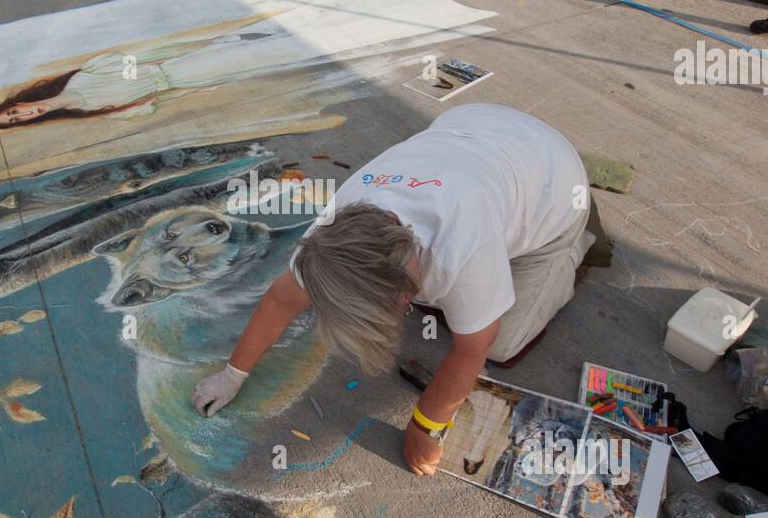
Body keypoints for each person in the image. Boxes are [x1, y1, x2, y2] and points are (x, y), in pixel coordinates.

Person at [190, 104, 600, 479]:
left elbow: (473, 348)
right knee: (464, 308)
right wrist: (232, 375)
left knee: (502, 344)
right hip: (474, 124)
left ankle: (575, 244)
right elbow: (281, 300)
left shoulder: (461, 249)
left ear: (405, 293)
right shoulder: (333, 237)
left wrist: (426, 428)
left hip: (556, 179)